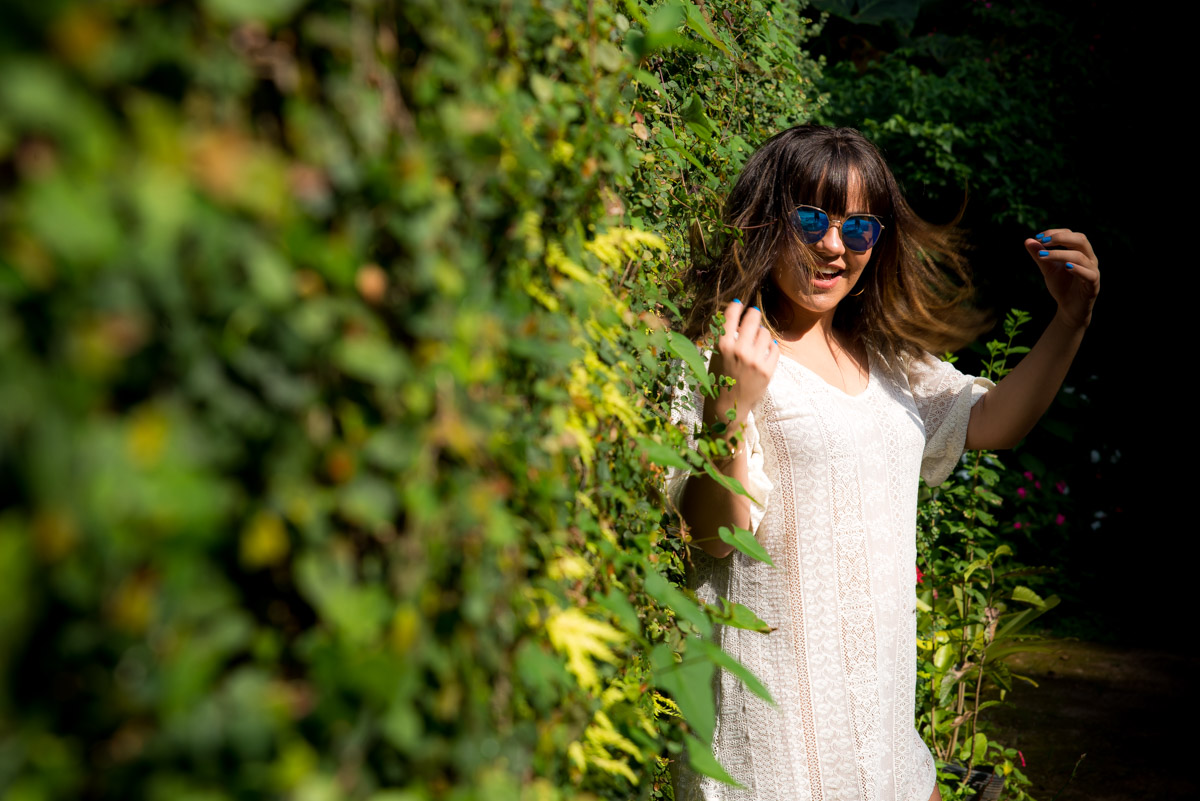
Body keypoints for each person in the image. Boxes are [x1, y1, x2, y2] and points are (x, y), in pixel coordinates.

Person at [664, 124, 1099, 801]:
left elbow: (994, 421)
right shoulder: (727, 351)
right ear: (767, 220)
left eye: (859, 229)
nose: (834, 245)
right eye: (810, 218)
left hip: (887, 759)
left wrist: (1070, 321)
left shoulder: (891, 361)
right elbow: (713, 534)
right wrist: (729, 406)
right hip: (774, 765)